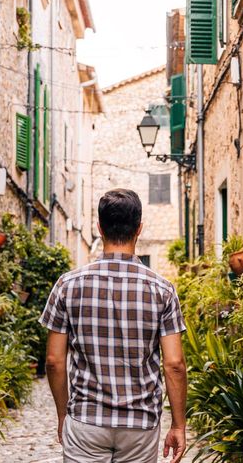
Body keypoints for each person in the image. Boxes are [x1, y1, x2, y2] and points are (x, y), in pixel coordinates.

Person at [39, 188, 188, 463]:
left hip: (86, 420)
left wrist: (64, 414)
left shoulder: (67, 285)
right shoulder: (163, 290)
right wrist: (178, 425)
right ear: (139, 228)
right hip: (140, 424)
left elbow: (54, 361)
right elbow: (175, 363)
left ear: (99, 228)